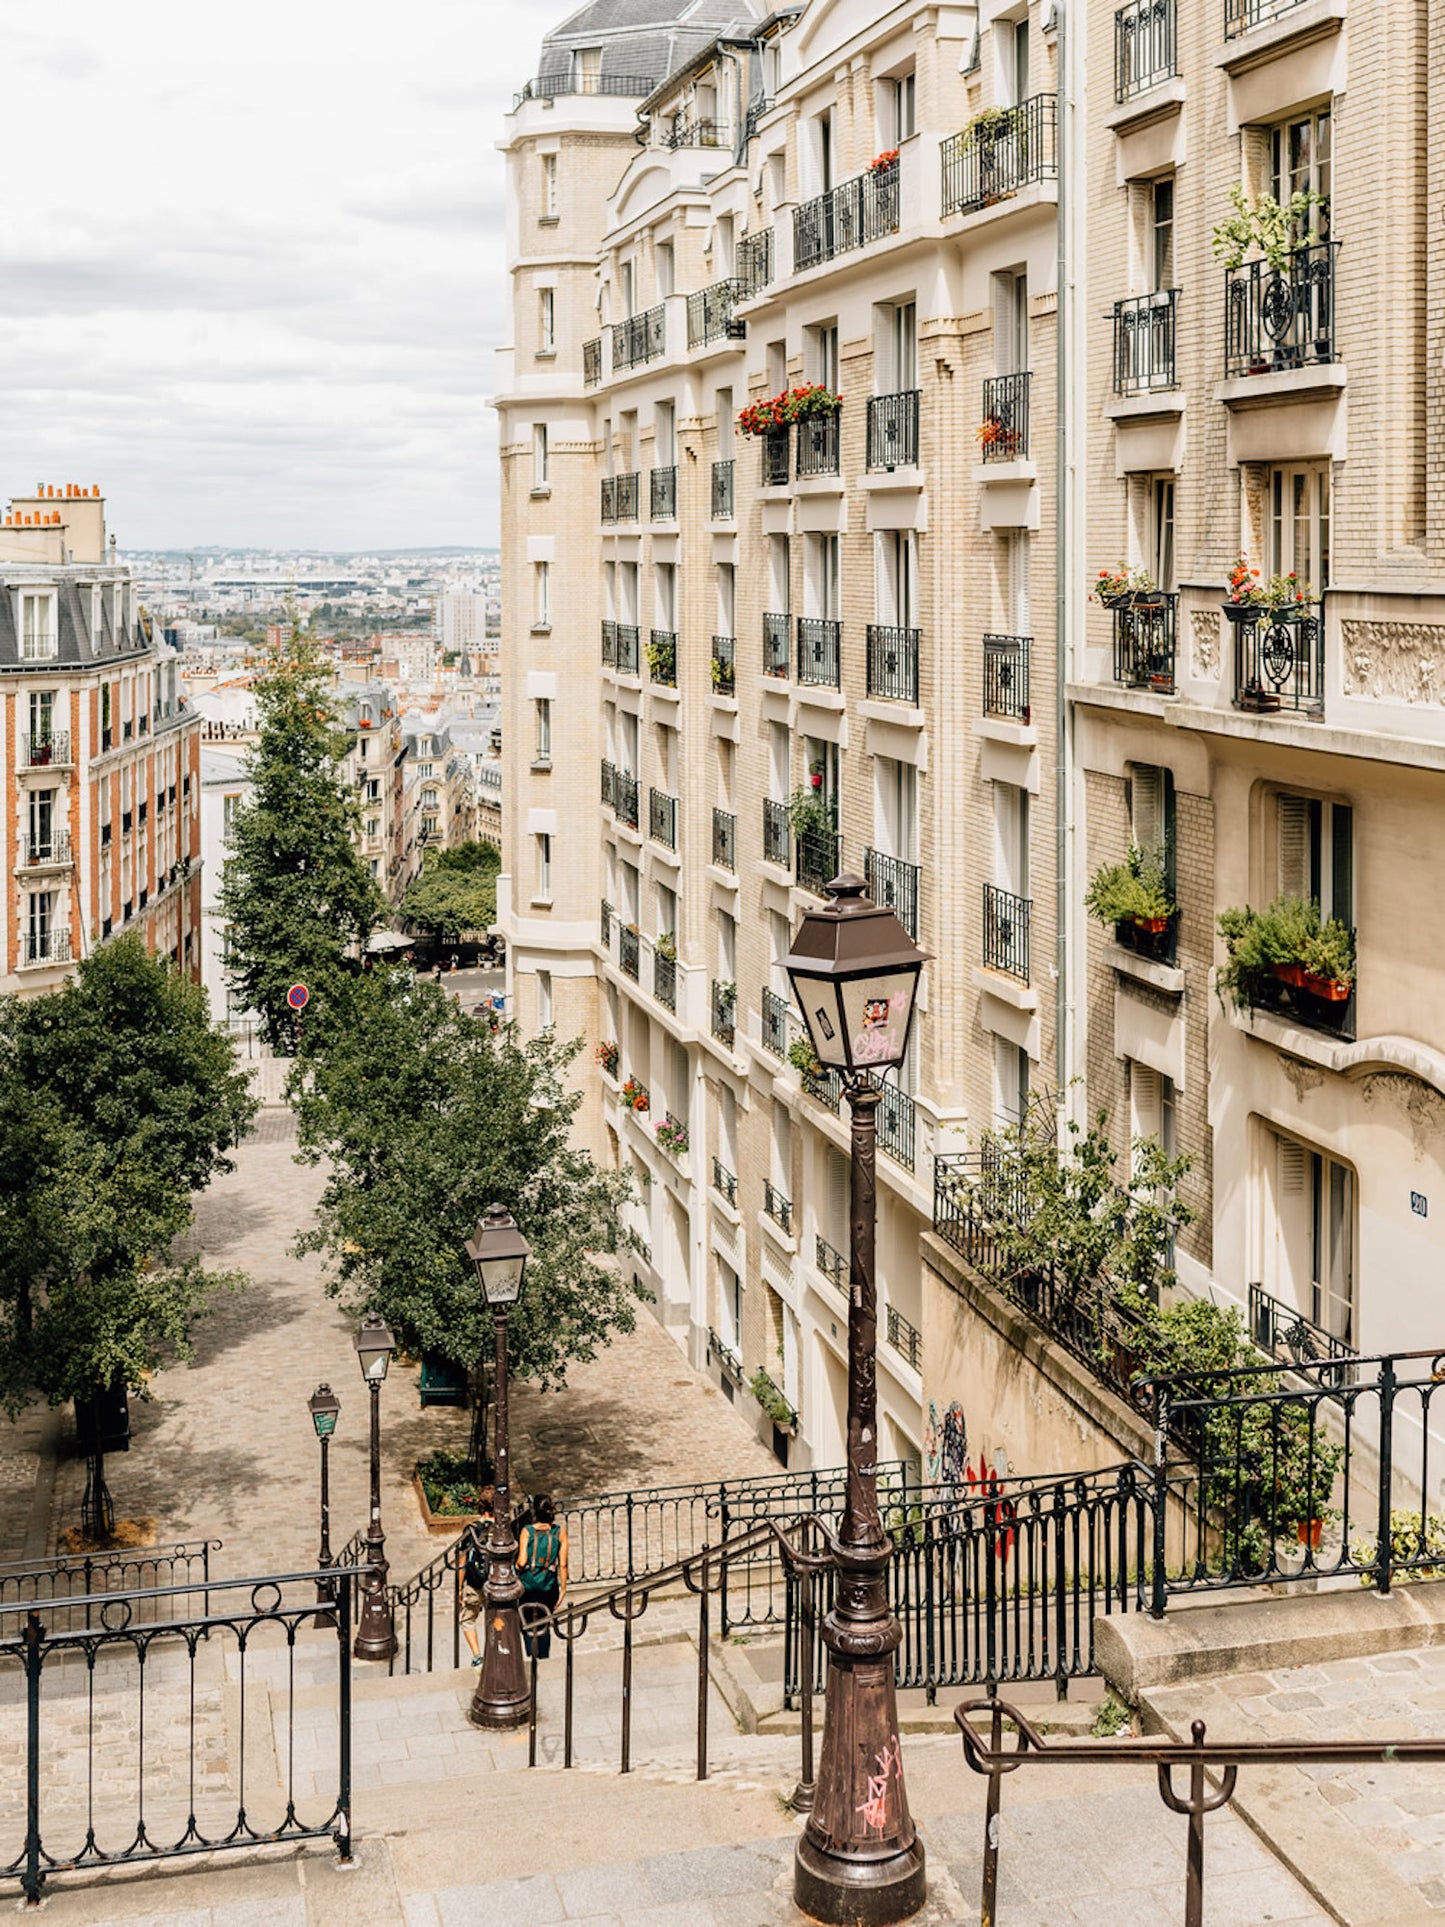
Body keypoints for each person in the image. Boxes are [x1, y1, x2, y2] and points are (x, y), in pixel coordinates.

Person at [517, 1494, 567, 1660]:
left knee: (527, 1620)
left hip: (527, 1587)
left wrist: (517, 1566)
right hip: (548, 1587)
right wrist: (563, 1589)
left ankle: (531, 1653)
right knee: (545, 1621)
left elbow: (522, 1562)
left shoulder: (527, 1531)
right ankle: (543, 1656)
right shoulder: (559, 1532)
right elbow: (563, 1564)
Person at [457, 1485, 496, 1667]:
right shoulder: (502, 1529)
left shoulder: (470, 1530)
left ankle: (477, 1655)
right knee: (494, 1617)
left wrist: (459, 1587)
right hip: (495, 1582)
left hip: (474, 1581)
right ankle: (495, 1651)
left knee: (468, 1619)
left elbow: (462, 1562)